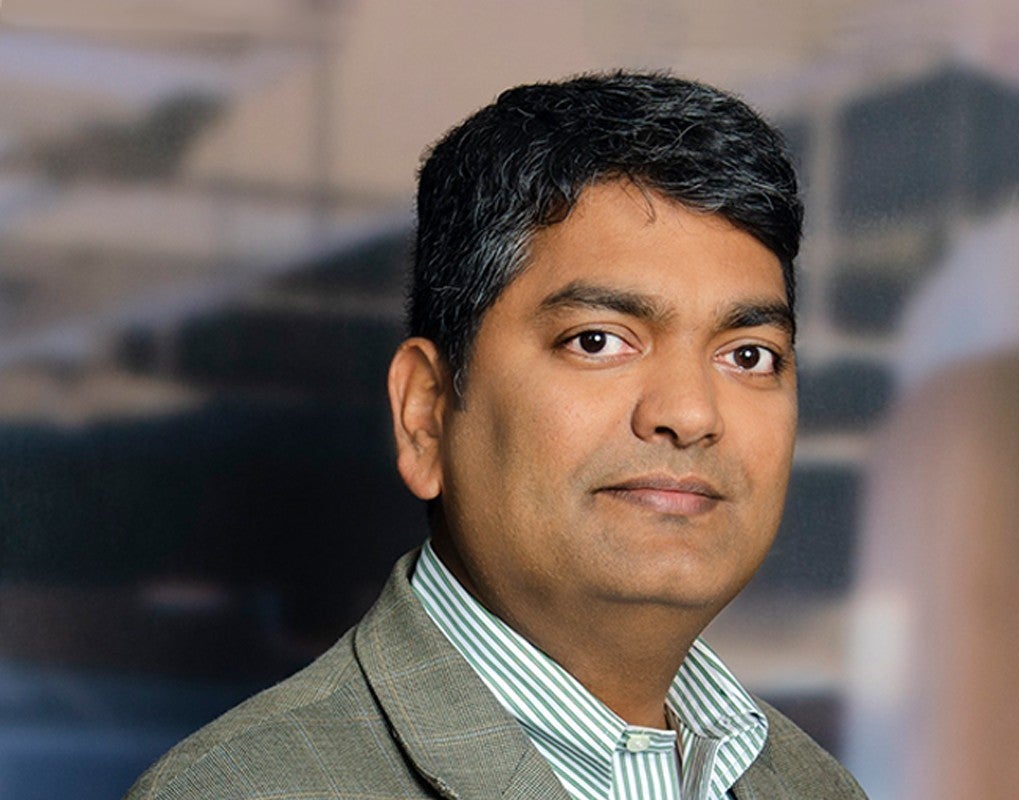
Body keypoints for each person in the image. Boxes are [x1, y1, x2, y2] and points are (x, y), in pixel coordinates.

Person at [126, 71, 866, 800]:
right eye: (598, 340)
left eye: (749, 356)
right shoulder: (237, 791)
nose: (692, 413)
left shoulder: (814, 788)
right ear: (425, 413)